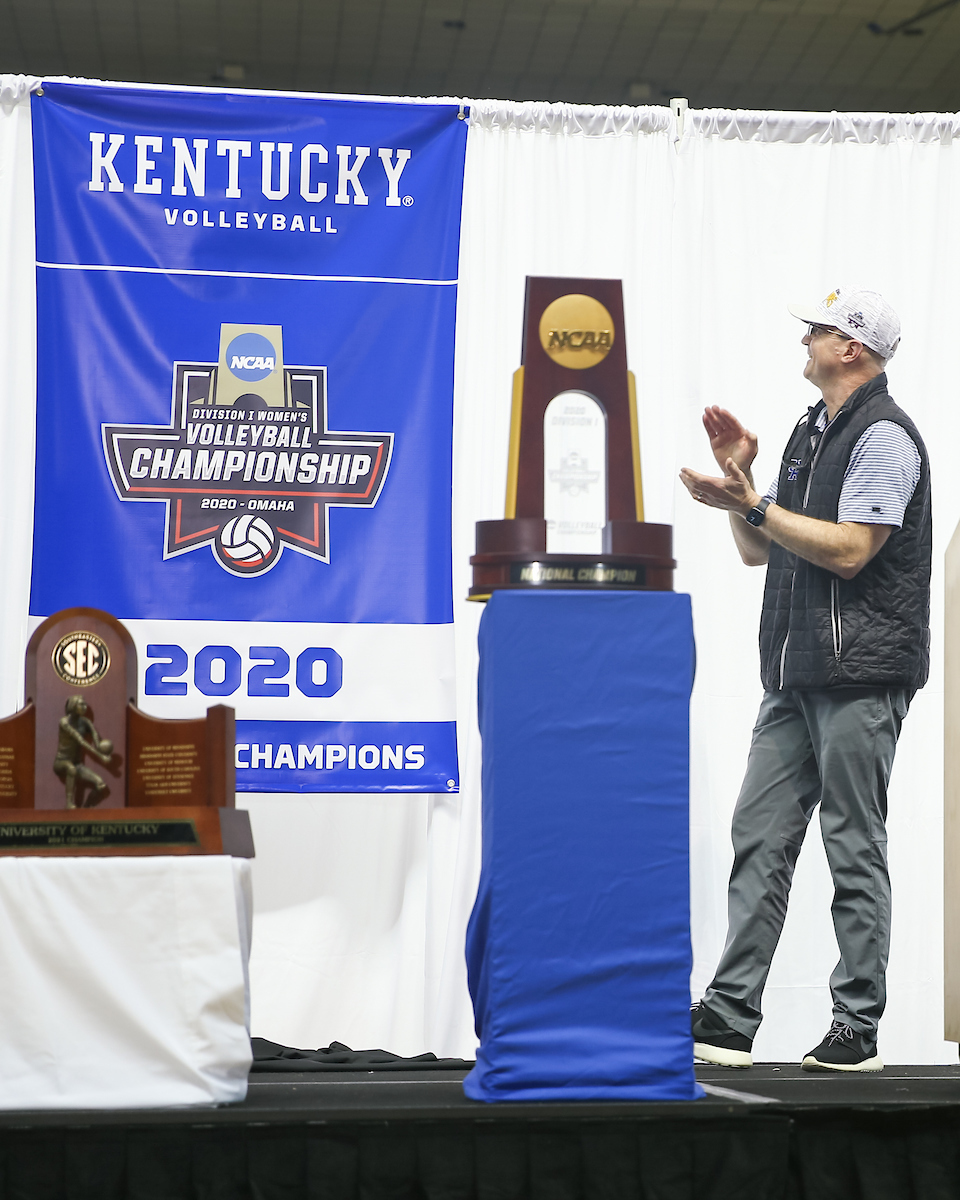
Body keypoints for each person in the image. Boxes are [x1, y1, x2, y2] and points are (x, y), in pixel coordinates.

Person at [679, 286, 930, 1073]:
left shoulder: (885, 437)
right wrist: (741, 485)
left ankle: (856, 1027)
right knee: (759, 837)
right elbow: (761, 549)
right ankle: (728, 1017)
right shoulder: (807, 431)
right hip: (793, 673)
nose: (805, 340)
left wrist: (756, 504)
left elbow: (851, 552)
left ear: (851, 347)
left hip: (861, 674)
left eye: (817, 330)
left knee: (852, 843)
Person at [53, 696, 113, 809]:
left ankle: (86, 808)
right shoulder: (64, 722)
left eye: (85, 704)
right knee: (71, 769)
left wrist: (101, 747)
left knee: (100, 784)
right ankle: (69, 803)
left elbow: (95, 736)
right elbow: (81, 741)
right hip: (61, 762)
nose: (85, 707)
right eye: (81, 704)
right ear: (73, 706)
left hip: (77, 764)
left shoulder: (85, 722)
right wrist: (101, 757)